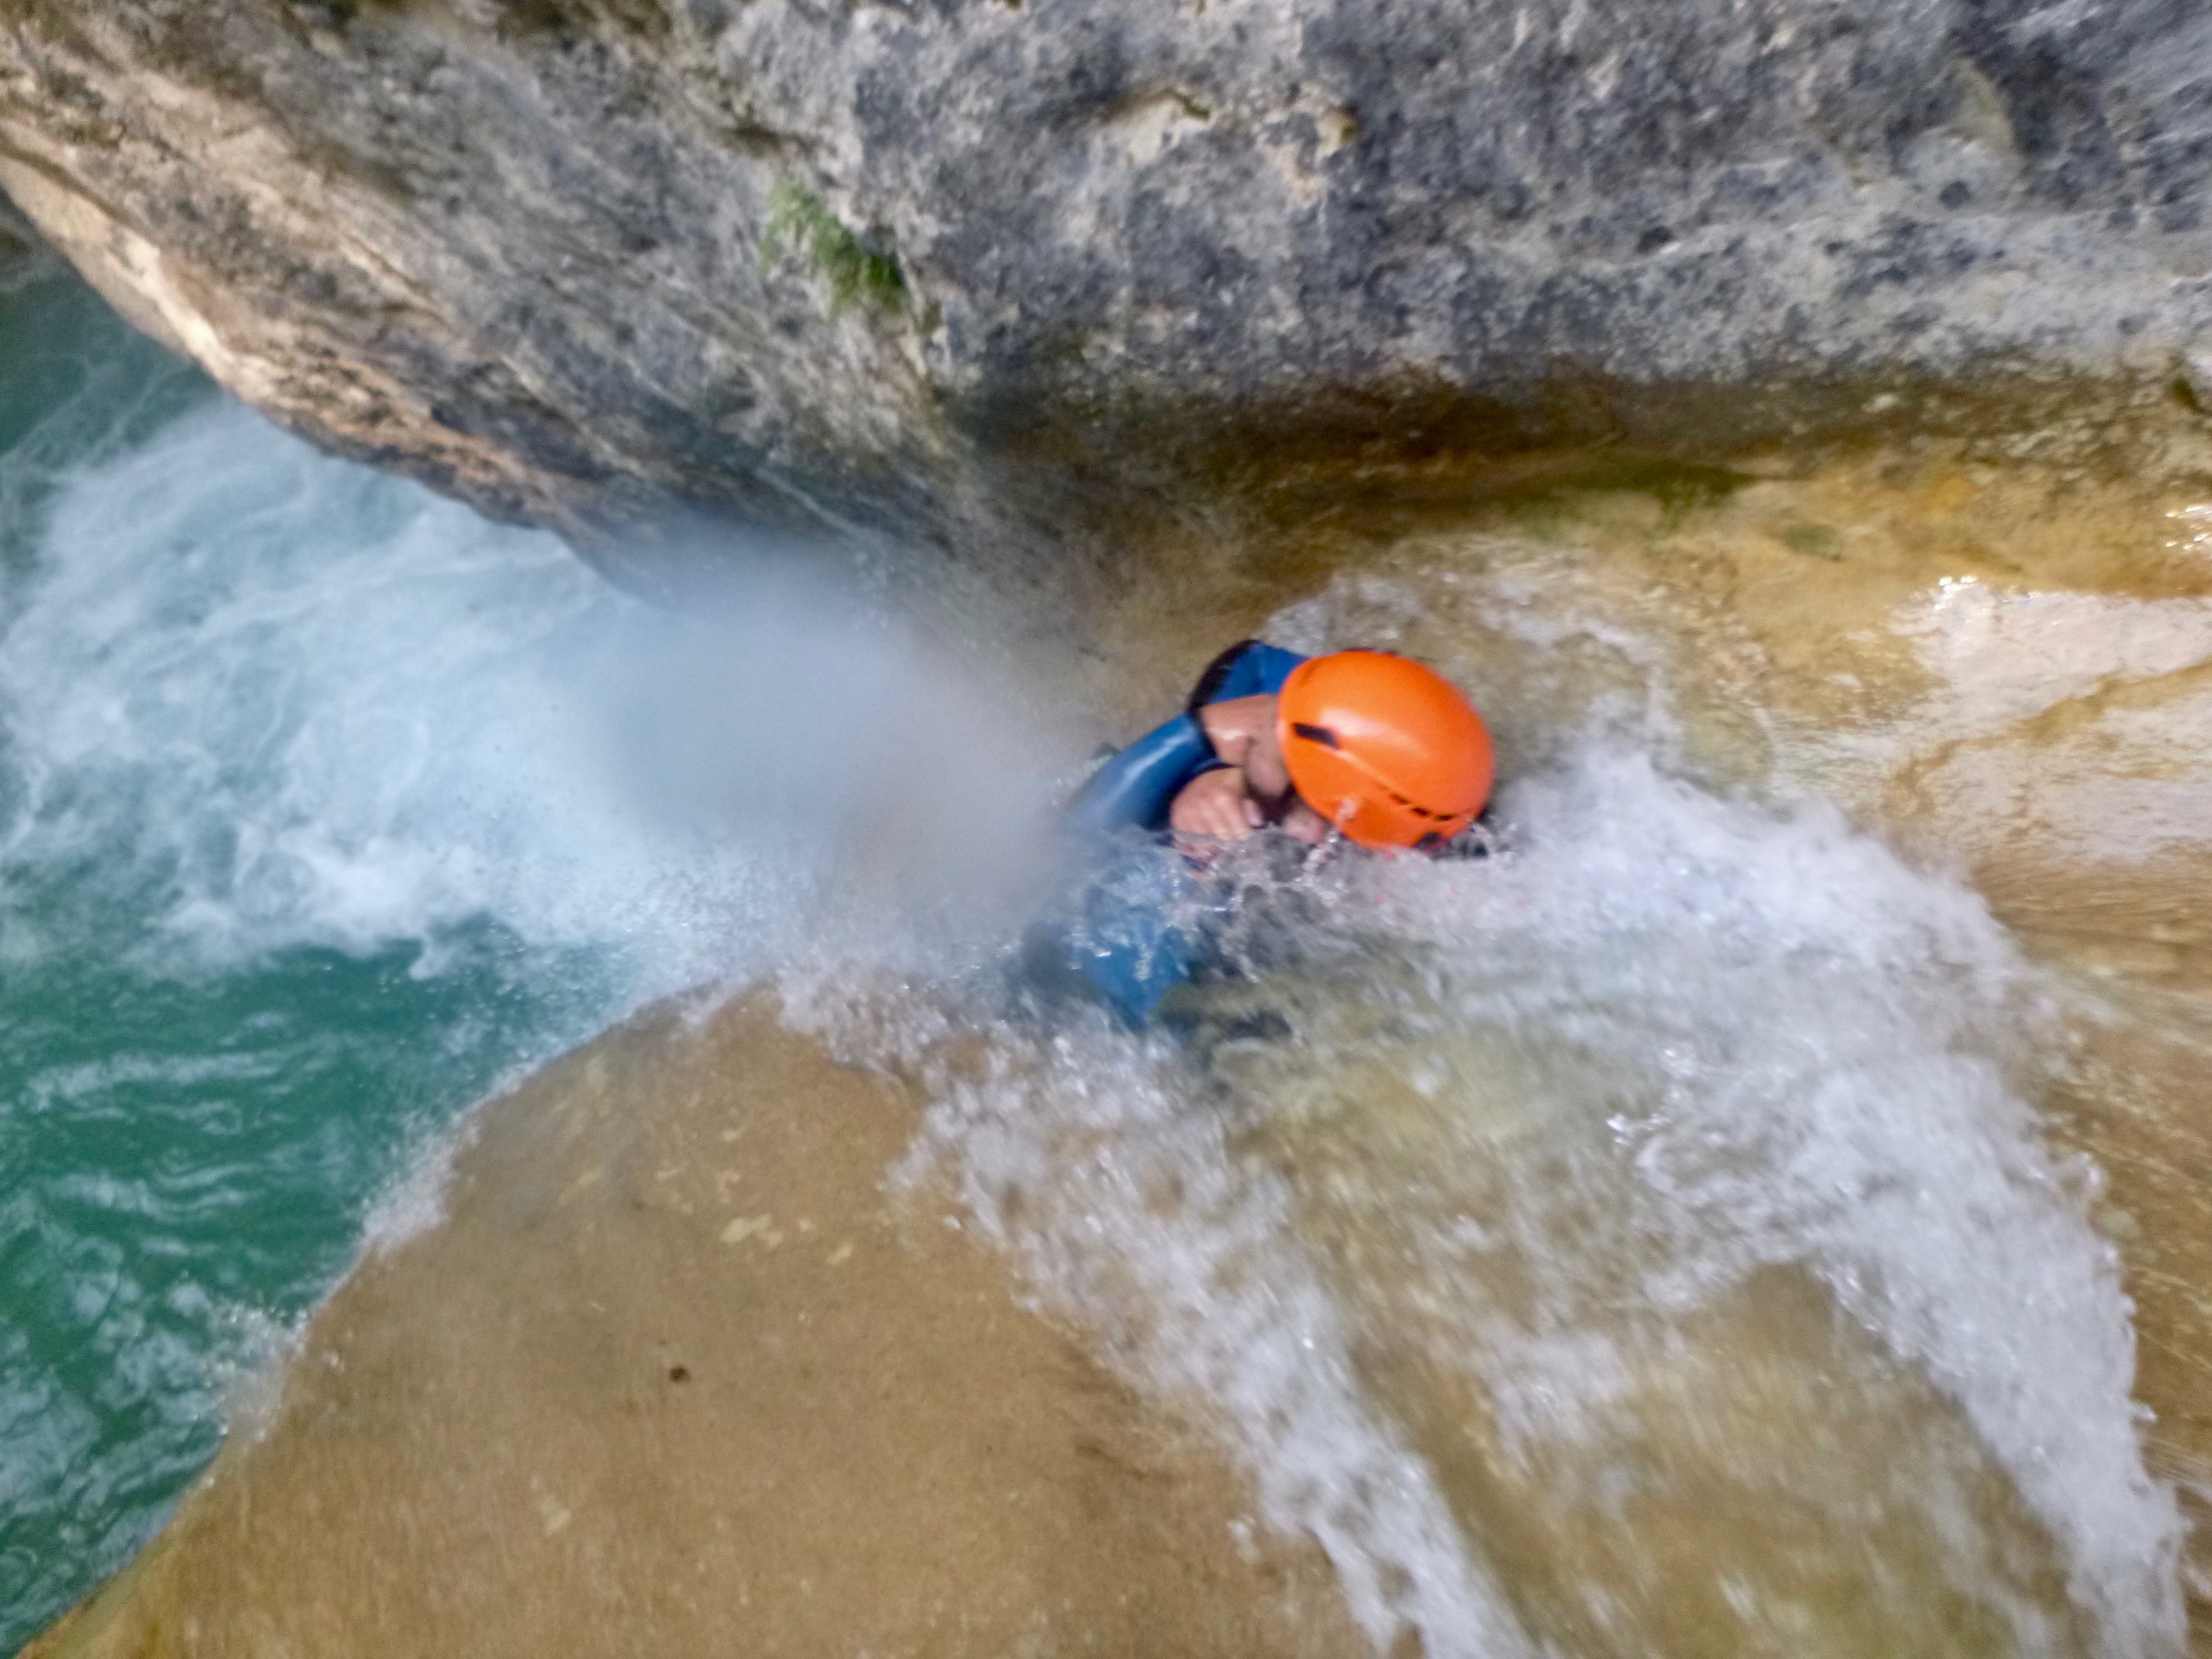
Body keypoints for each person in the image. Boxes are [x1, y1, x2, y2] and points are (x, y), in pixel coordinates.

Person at [1056, 640, 1495, 1024]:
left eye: (1273, 733)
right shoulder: (1437, 814)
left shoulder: (1279, 868)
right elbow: (1255, 659)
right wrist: (1213, 769)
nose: (1259, 723)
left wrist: (1198, 736)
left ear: (1317, 818)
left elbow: (1059, 866)